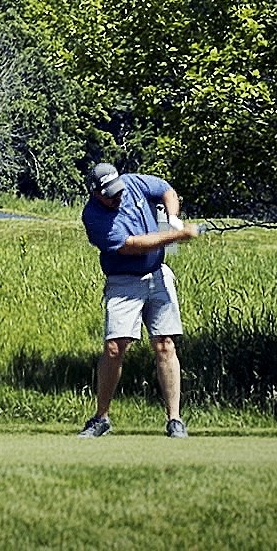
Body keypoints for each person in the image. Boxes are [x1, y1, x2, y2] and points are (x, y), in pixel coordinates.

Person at [77, 161, 200, 438]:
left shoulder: (133, 183)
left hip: (157, 274)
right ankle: (101, 418)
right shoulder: (93, 216)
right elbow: (132, 246)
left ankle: (175, 419)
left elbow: (166, 190)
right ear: (95, 193)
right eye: (110, 194)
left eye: (118, 190)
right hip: (123, 282)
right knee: (114, 347)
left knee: (165, 344)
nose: (117, 197)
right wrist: (176, 235)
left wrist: (173, 218)